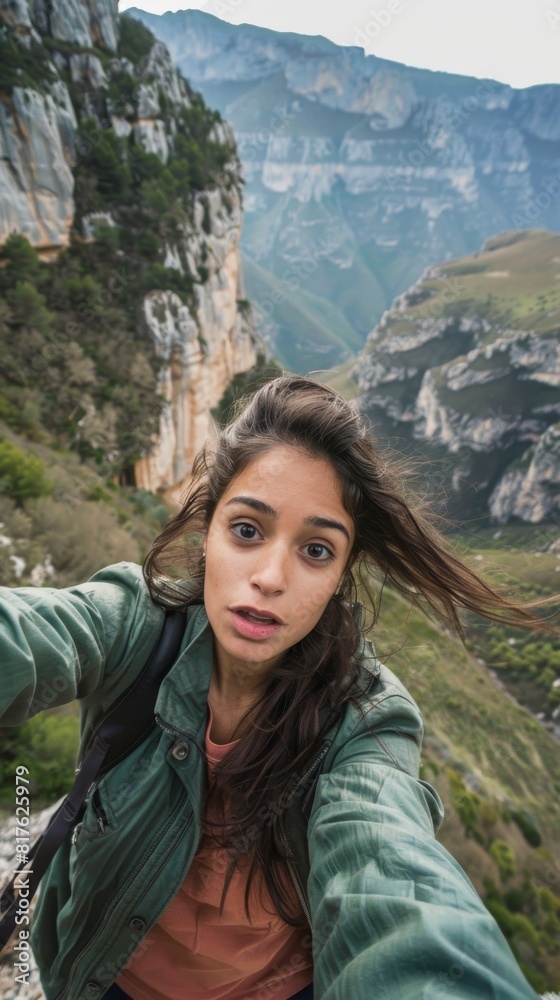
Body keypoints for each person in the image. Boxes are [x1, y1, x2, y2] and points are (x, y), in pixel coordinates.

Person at [0, 374, 554, 1000]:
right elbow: (25, 637)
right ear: (207, 530)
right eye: (246, 530)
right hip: (107, 979)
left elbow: (389, 873)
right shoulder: (133, 628)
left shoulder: (366, 723)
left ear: (342, 575)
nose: (270, 577)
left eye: (316, 550)